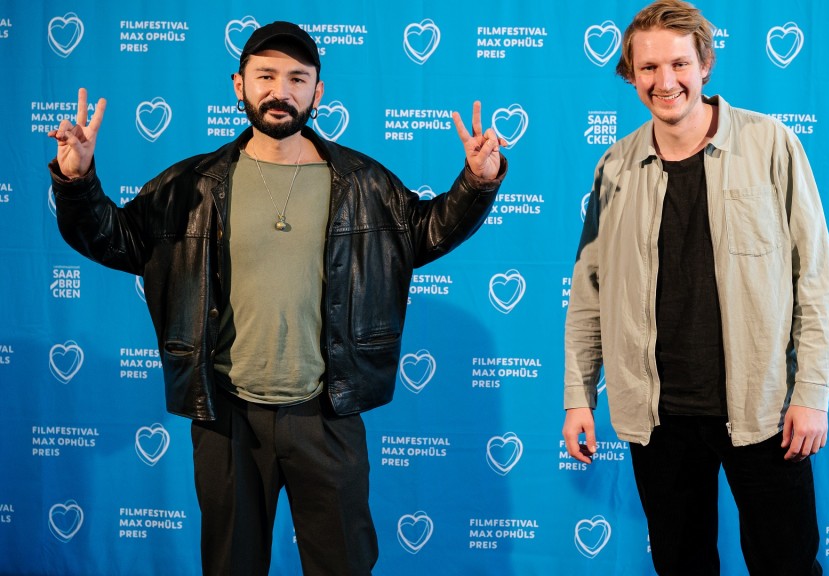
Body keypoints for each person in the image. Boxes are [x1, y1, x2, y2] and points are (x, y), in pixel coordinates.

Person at [48, 21, 506, 576]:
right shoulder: (190, 185)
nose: (280, 90)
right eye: (265, 75)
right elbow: (115, 238)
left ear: (318, 92)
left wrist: (477, 182)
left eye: (297, 78)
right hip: (226, 415)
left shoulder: (363, 181)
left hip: (328, 411)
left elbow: (424, 233)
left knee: (344, 564)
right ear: (239, 85)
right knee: (231, 565)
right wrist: (77, 180)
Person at [561, 1, 829, 574]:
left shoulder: (771, 145)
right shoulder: (614, 166)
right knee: (681, 565)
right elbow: (590, 291)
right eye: (648, 68)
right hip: (657, 416)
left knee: (786, 563)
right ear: (630, 75)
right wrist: (578, 396)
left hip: (762, 410)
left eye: (680, 64)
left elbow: (815, 278)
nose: (666, 82)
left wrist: (810, 393)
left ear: (705, 63)